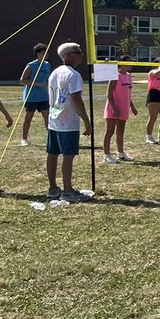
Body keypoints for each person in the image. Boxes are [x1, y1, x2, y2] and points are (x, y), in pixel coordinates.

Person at [45, 42, 93, 202]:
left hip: (54, 119)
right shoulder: (73, 75)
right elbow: (76, 98)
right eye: (78, 52)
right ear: (69, 55)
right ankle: (67, 191)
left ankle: (53, 188)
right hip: (68, 121)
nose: (82, 54)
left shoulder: (55, 72)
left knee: (53, 153)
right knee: (68, 155)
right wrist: (86, 120)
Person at [102, 57, 138, 163]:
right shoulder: (115, 76)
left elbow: (128, 93)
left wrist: (132, 106)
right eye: (128, 62)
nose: (131, 65)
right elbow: (108, 94)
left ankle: (121, 153)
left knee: (121, 131)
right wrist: (114, 107)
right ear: (121, 64)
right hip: (114, 108)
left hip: (124, 107)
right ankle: (106, 154)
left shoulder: (129, 76)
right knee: (110, 131)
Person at [19, 43, 51, 146]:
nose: (46, 54)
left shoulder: (47, 64)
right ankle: (24, 139)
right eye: (43, 52)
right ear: (37, 53)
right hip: (32, 97)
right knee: (28, 118)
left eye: (47, 52)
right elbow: (22, 80)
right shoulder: (31, 65)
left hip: (44, 97)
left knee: (48, 118)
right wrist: (38, 84)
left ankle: (52, 138)